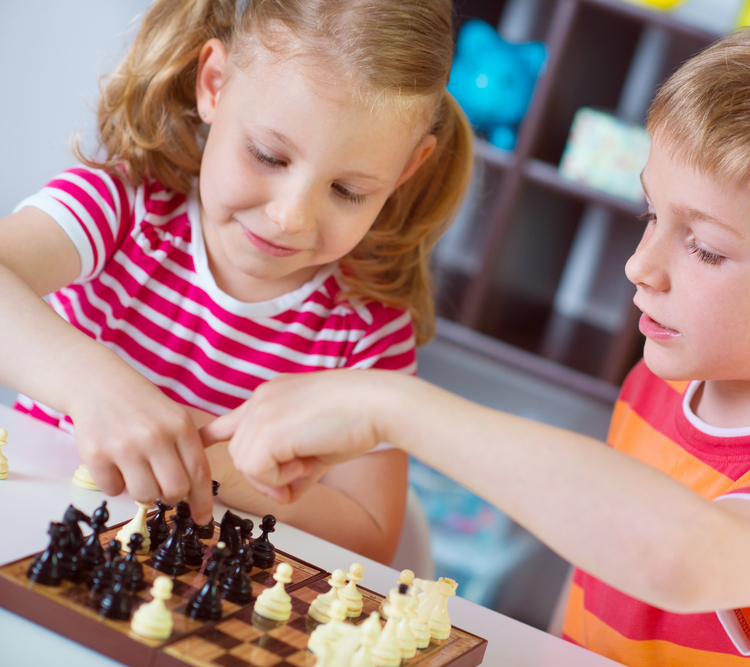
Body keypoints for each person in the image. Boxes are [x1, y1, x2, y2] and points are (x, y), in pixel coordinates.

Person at [203, 24, 750, 665]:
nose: (639, 265)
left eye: (704, 247)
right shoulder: (665, 384)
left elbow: (682, 557)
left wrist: (390, 405)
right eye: (652, 216)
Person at [0, 0, 473, 564]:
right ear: (215, 84)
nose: (291, 217)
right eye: (268, 156)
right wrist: (94, 387)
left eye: (348, 191)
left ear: (407, 169)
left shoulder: (366, 333)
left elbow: (371, 535)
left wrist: (215, 465)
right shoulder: (122, 210)